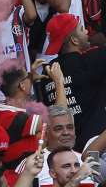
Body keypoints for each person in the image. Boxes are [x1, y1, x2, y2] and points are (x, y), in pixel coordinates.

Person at [40, 14, 106, 147]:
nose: (87, 31)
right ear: (74, 40)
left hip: (68, 149)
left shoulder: (47, 71)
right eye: (82, 29)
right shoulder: (92, 61)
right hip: (96, 147)